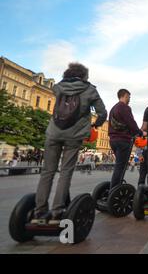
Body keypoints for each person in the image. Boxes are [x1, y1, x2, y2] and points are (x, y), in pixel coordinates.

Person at [32, 63, 107, 225]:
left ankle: (39, 212)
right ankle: (57, 212)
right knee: (65, 172)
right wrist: (96, 124)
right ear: (84, 76)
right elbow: (102, 113)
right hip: (74, 135)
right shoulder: (90, 90)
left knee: (47, 172)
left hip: (53, 132)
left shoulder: (58, 87)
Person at [108, 89, 144, 190]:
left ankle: (113, 188)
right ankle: (114, 190)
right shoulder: (124, 107)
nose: (129, 99)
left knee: (118, 166)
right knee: (120, 167)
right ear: (125, 96)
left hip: (113, 140)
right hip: (123, 140)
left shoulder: (113, 108)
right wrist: (140, 133)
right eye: (129, 97)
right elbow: (131, 123)